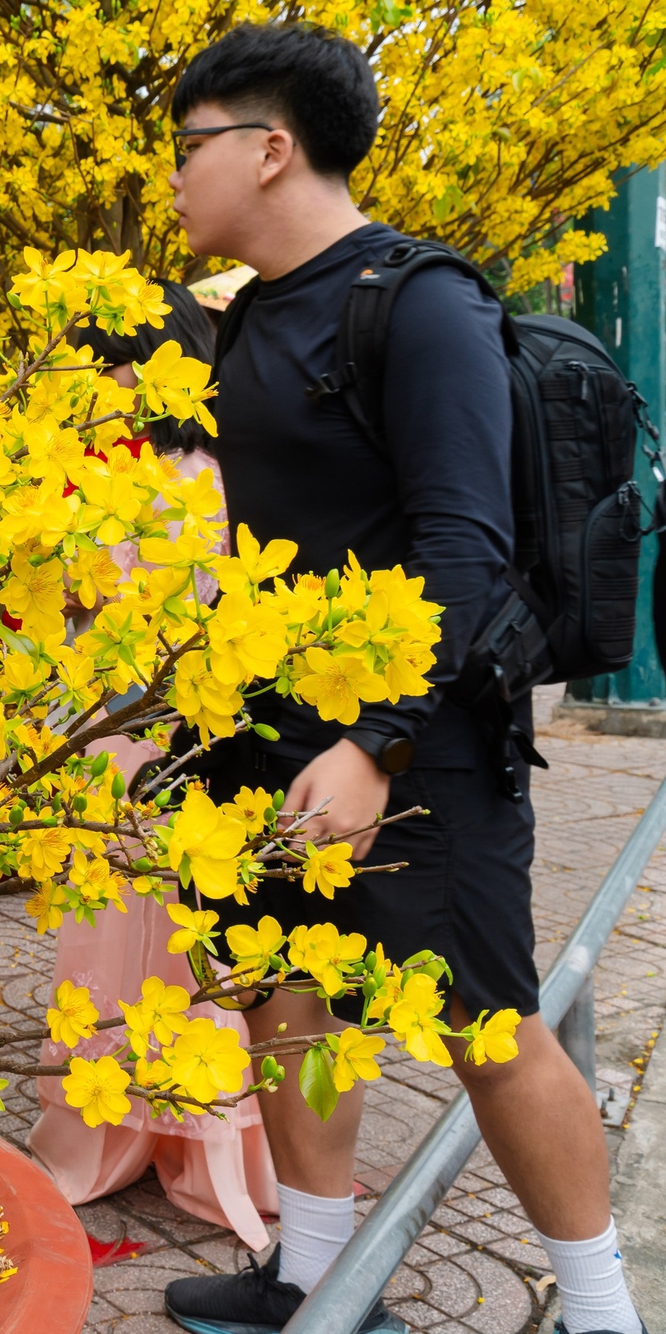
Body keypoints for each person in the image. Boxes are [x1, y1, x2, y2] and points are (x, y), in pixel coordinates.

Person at [159, 24, 641, 1334]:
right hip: (268, 728)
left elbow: (465, 551)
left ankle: (603, 1311)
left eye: (188, 146)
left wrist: (377, 743)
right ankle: (312, 1275)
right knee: (287, 985)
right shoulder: (253, 314)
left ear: (271, 147)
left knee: (484, 1020)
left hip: (420, 739)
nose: (173, 177)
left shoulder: (418, 301)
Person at [27, 282, 281, 1249]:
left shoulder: (164, 484)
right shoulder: (212, 477)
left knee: (147, 936)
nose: (95, 382)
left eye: (104, 361)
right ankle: (170, 1133)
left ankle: (127, 1132)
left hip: (150, 735)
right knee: (156, 936)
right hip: (160, 732)